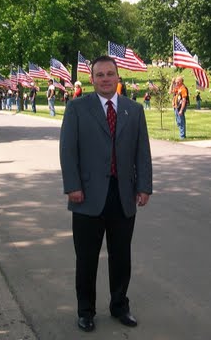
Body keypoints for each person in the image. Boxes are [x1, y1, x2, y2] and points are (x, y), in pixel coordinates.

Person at [60, 55, 152, 333]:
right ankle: (85, 311)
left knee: (121, 256)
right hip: (86, 195)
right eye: (100, 75)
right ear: (92, 79)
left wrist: (144, 186)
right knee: (86, 258)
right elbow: (68, 150)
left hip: (123, 195)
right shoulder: (77, 108)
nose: (105, 79)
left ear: (117, 77)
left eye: (110, 74)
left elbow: (142, 152)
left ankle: (119, 306)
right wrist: (72, 186)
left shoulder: (133, 110)